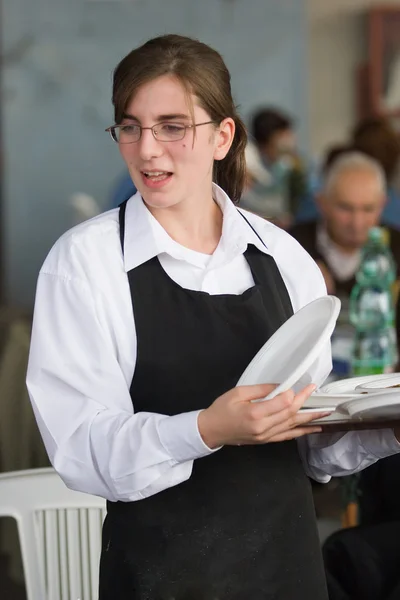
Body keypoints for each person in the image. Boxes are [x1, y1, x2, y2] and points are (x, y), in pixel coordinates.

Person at [26, 34, 400, 600]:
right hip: (161, 578)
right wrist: (205, 430)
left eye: (173, 127)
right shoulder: (84, 264)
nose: (147, 150)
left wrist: (384, 428)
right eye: (131, 127)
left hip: (288, 572)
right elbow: (82, 449)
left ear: (223, 137)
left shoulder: (283, 256)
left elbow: (308, 444)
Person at [289, 152, 400, 300]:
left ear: (382, 205)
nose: (357, 222)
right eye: (345, 208)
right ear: (322, 203)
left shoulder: (397, 248)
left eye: (368, 209)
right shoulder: (290, 246)